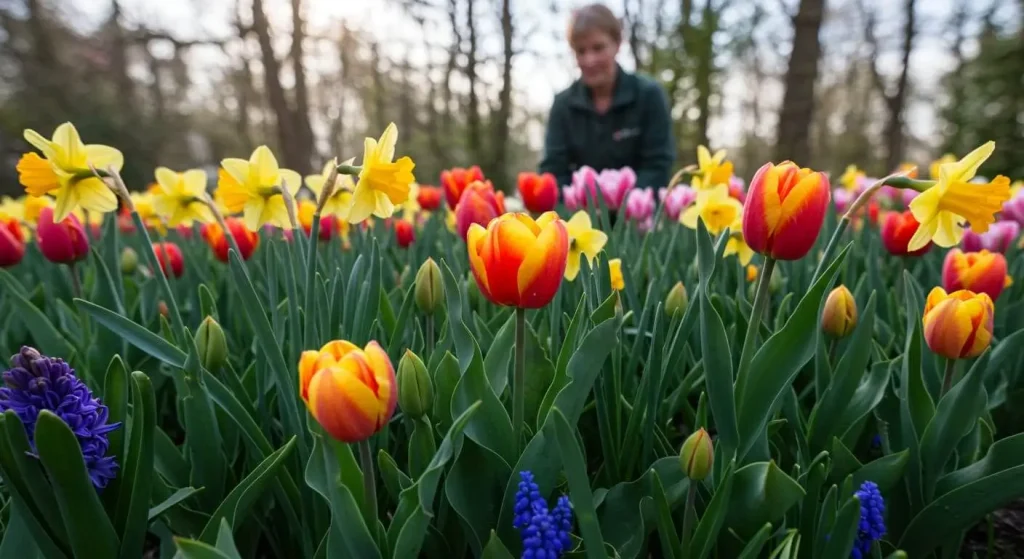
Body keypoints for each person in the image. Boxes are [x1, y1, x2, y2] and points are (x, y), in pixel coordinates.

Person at [539, 3, 675, 191]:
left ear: (617, 45)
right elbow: (553, 172)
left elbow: (658, 167)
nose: (589, 60)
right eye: (581, 51)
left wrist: (623, 207)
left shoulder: (649, 95)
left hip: (638, 215)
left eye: (598, 48)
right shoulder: (563, 105)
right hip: (578, 215)